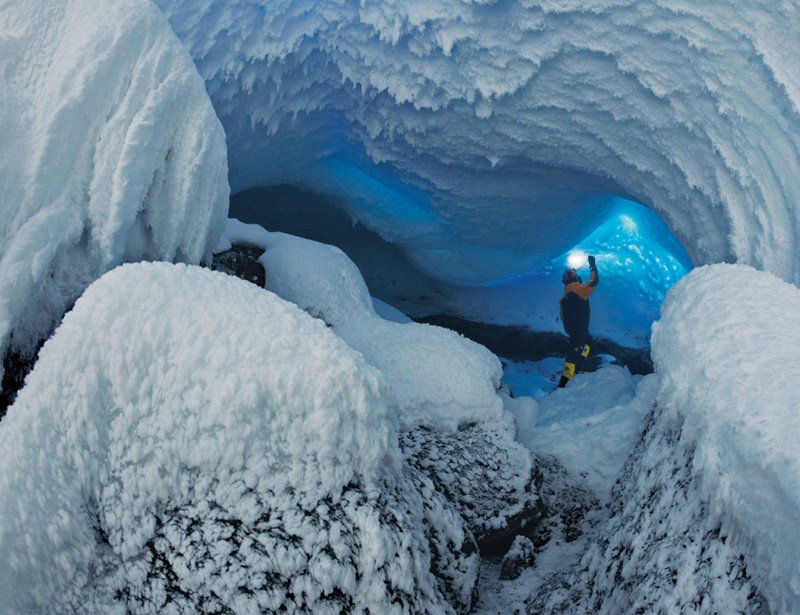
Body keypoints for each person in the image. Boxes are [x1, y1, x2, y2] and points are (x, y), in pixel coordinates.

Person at [557, 254, 599, 388]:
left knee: (586, 344)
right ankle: (564, 384)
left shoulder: (564, 298)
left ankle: (576, 374)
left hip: (573, 330)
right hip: (580, 330)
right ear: (573, 279)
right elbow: (595, 280)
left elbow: (563, 317)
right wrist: (592, 264)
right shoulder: (580, 291)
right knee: (575, 354)